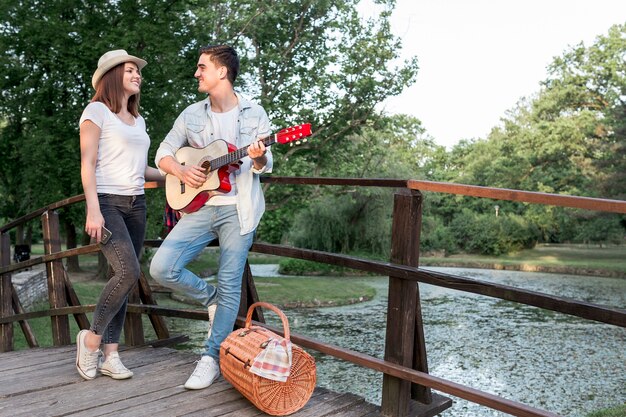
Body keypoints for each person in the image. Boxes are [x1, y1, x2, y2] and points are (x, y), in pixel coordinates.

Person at [149, 44, 272, 390]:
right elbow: (163, 152)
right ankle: (213, 298)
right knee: (161, 267)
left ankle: (210, 357)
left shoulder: (254, 113)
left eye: (202, 67)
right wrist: (182, 170)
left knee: (231, 280)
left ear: (222, 72)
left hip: (239, 209)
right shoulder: (191, 114)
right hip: (201, 206)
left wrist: (259, 158)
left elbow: (265, 166)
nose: (196, 73)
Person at [76, 49, 162, 381]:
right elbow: (87, 163)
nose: (138, 74)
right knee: (128, 272)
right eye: (130, 70)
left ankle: (111, 355)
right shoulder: (96, 111)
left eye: (138, 71)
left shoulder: (138, 120)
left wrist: (178, 174)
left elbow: (141, 168)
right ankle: (91, 340)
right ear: (113, 75)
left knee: (125, 282)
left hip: (136, 204)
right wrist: (93, 209)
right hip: (108, 204)